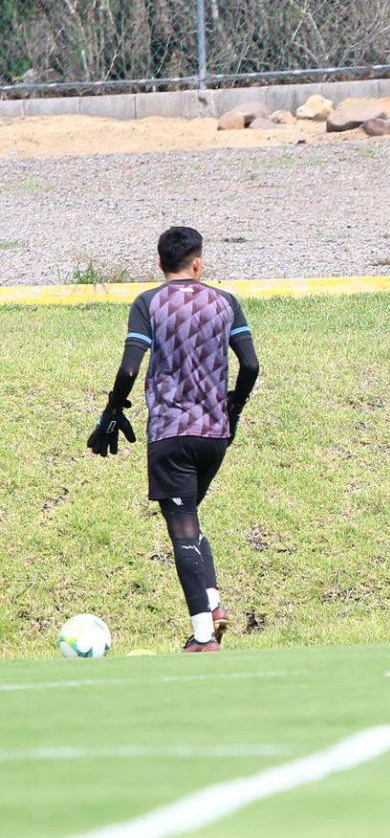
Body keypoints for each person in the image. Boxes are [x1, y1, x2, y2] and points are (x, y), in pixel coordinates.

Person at [87, 226, 260, 652]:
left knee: (182, 533)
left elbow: (129, 369)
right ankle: (215, 603)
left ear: (159, 263)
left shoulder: (149, 303)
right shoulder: (226, 302)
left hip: (169, 433)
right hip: (215, 435)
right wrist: (232, 408)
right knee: (191, 521)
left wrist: (113, 409)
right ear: (198, 263)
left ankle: (203, 637)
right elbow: (251, 365)